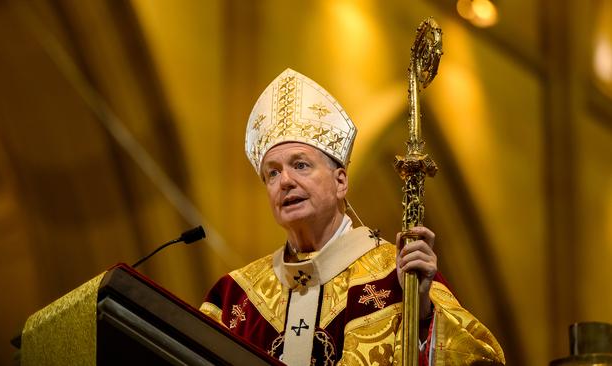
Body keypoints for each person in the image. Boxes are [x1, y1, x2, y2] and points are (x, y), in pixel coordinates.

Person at [199, 68, 505, 365]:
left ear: (341, 181)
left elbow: (480, 359)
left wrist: (422, 314)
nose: (286, 181)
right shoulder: (235, 297)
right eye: (273, 173)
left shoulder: (398, 273)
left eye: (301, 165)